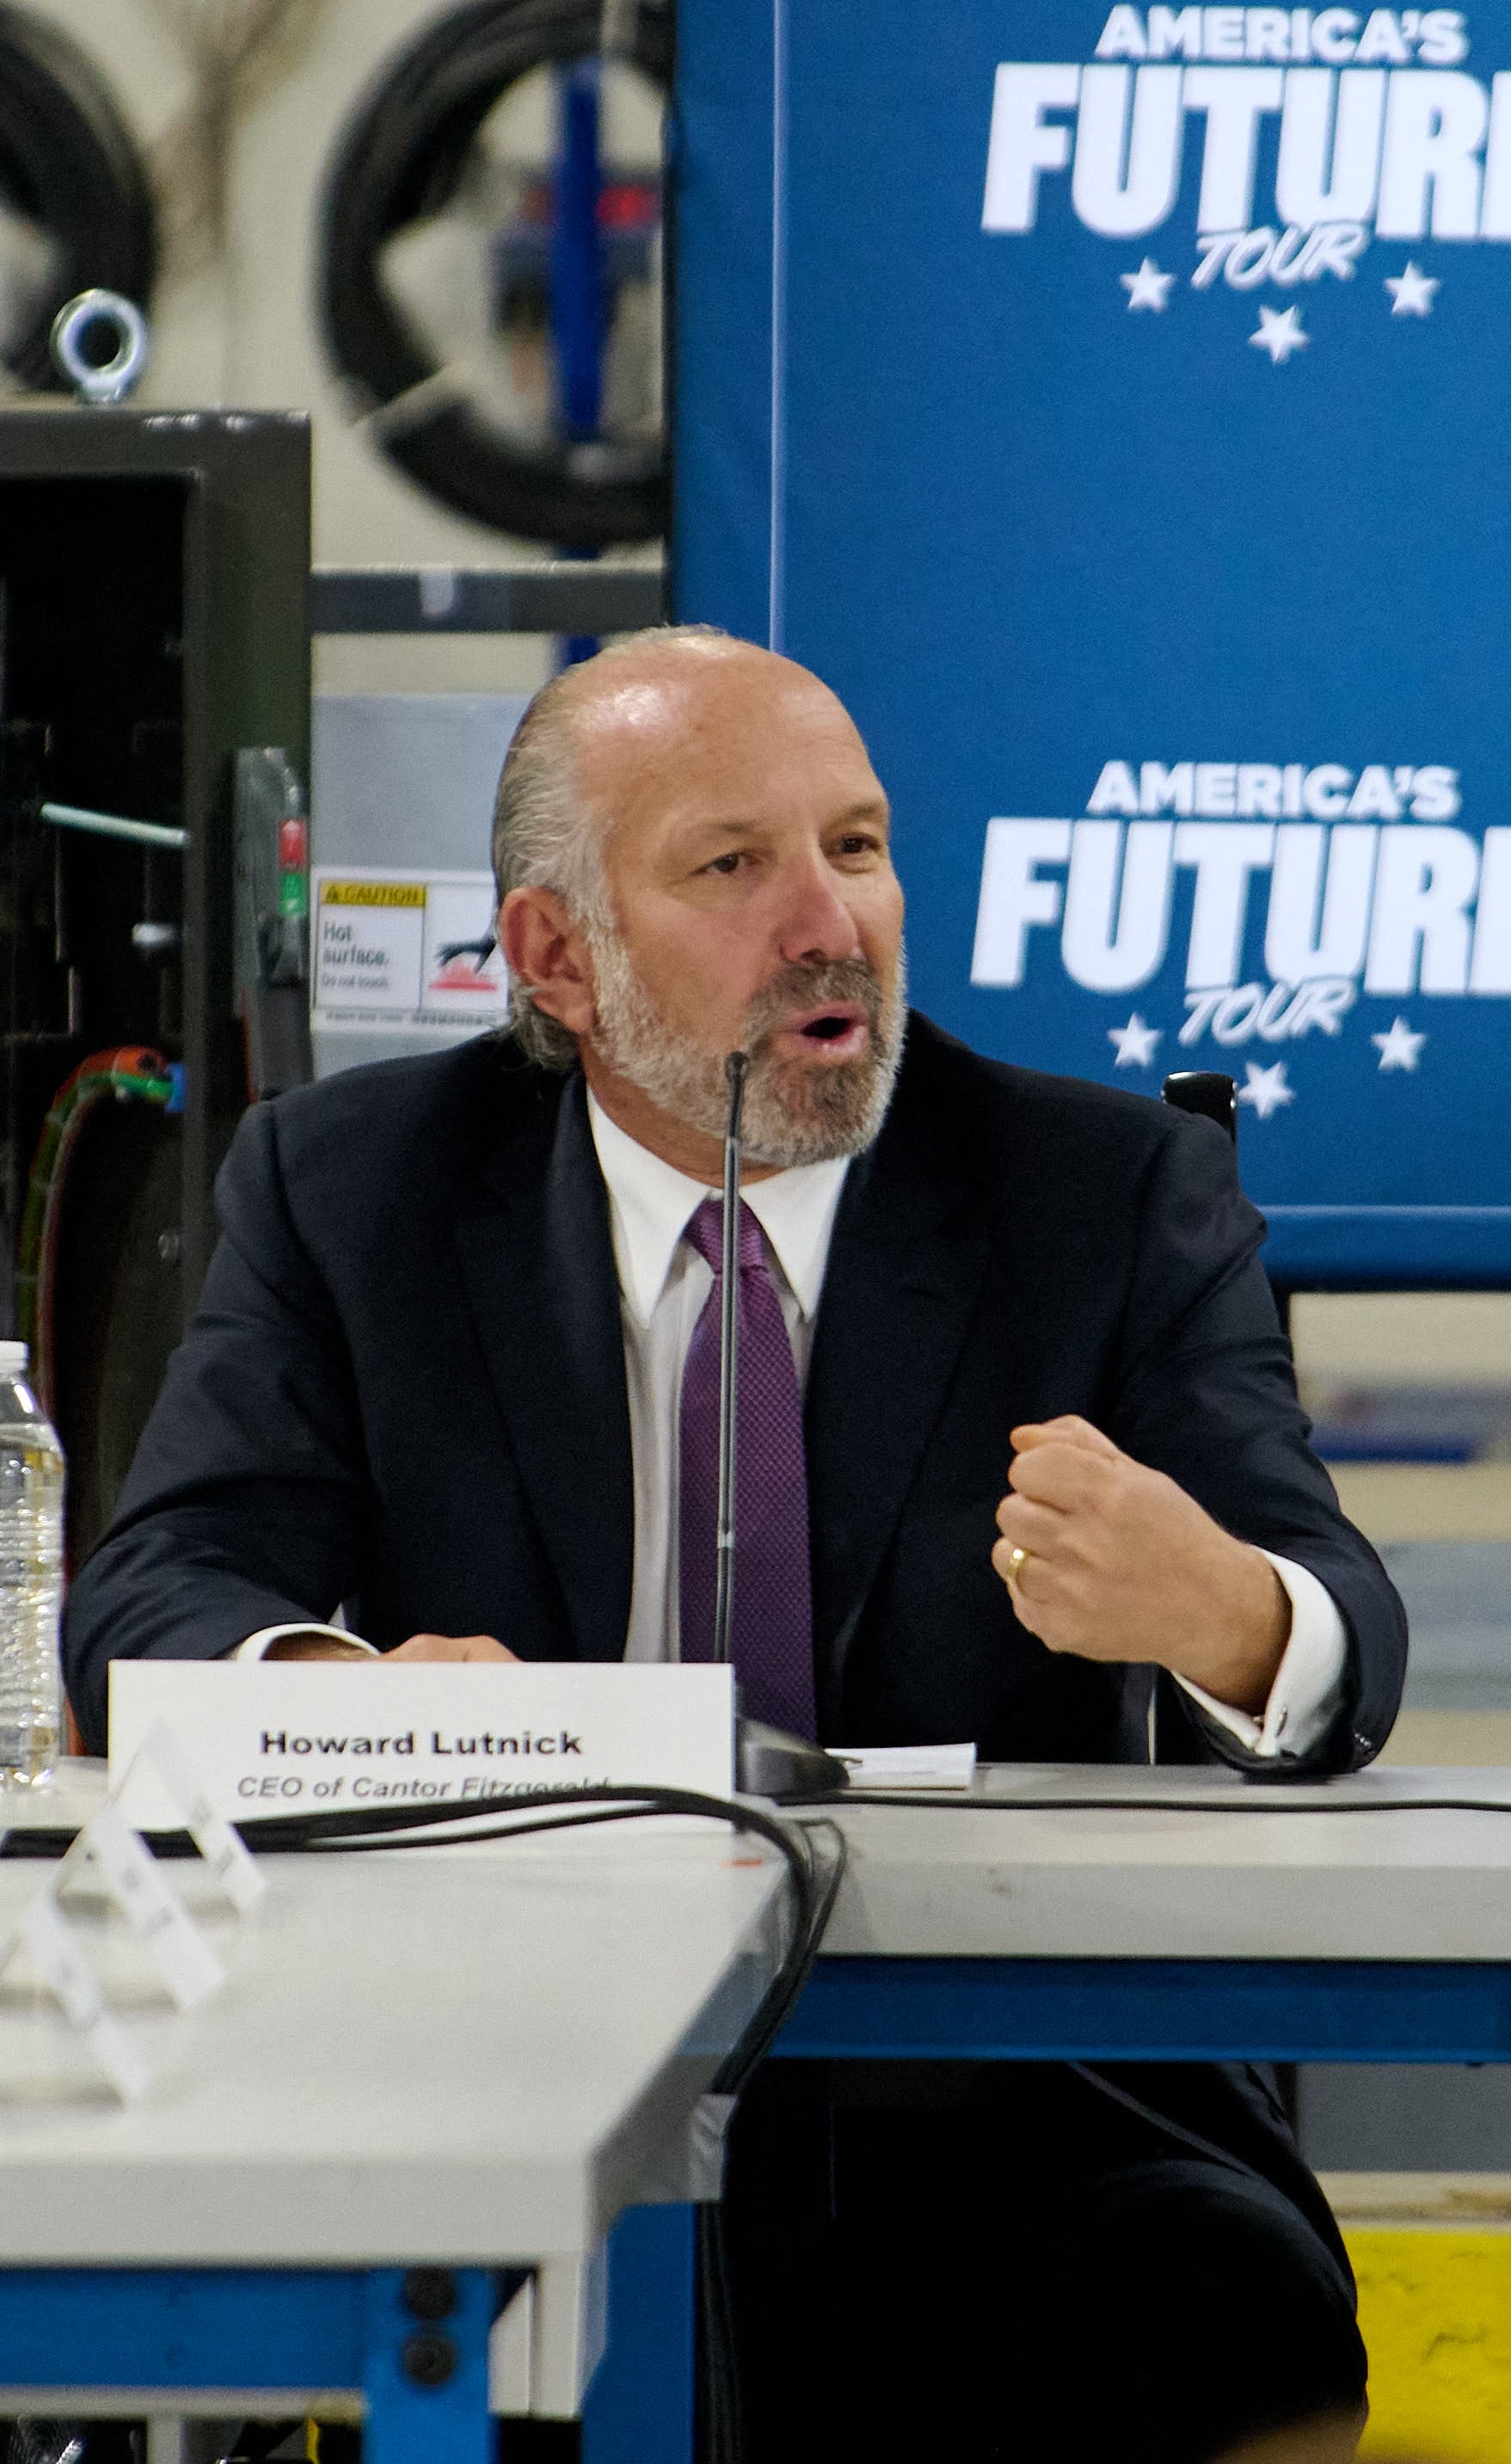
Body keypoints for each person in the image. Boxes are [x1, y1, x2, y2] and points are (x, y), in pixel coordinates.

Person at [65, 626, 1396, 2460]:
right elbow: (155, 1595)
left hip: (1017, 2091)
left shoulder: (1103, 1191)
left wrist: (1226, 1610)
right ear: (555, 956)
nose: (828, 924)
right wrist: (347, 1690)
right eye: (731, 864)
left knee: (1202, 2301)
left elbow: (1344, 1634)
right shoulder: (353, 1185)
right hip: (503, 2058)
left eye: (855, 847)